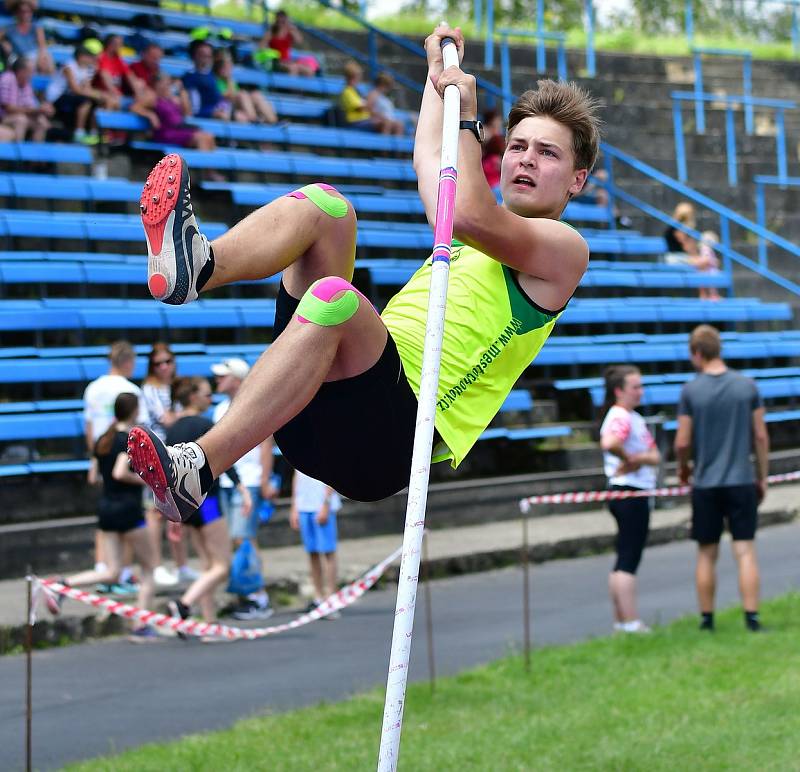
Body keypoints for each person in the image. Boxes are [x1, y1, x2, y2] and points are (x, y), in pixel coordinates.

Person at [128, 25, 599, 527]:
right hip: (319, 402)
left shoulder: (564, 250)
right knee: (327, 208)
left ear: (577, 179)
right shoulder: (467, 233)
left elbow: (468, 211)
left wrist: (466, 114)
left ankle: (198, 467)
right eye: (519, 145)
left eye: (547, 152)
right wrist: (436, 81)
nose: (526, 157)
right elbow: (429, 162)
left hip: (392, 438)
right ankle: (200, 268)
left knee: (337, 299)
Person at [674, 325, 769, 633]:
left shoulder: (690, 390)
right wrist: (762, 477)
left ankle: (707, 619)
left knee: (706, 552)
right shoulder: (747, 386)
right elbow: (760, 436)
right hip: (741, 479)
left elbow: (682, 442)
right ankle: (751, 617)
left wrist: (684, 468)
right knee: (745, 550)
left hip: (706, 483)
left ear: (697, 353)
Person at [57, 393, 159, 643]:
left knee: (112, 572)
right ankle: (141, 624)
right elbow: (119, 472)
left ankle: (63, 583)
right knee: (149, 569)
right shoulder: (126, 440)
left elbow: (94, 477)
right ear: (134, 411)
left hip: (106, 509)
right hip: (128, 509)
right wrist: (145, 480)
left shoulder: (103, 438)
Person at [164, 377, 252, 633]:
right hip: (208, 502)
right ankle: (183, 605)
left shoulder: (173, 429)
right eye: (205, 394)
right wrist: (241, 487)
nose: (209, 398)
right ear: (192, 397)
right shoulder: (204, 424)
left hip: (185, 505)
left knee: (207, 565)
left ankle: (209, 623)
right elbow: (223, 456)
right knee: (221, 566)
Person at [211, 357, 276, 620]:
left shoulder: (255, 403)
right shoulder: (219, 409)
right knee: (240, 538)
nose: (218, 380)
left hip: (248, 480)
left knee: (244, 538)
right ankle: (248, 593)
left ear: (237, 379)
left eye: (223, 376)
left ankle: (257, 595)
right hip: (228, 481)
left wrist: (264, 479)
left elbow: (265, 444)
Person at [84, 341, 151, 591]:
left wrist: (95, 459)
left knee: (107, 513)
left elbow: (90, 427)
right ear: (127, 362)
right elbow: (139, 431)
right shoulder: (130, 389)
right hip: (123, 453)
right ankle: (123, 572)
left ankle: (103, 569)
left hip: (103, 452)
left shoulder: (93, 388)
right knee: (130, 516)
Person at [599, 365, 660, 634]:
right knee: (628, 558)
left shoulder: (632, 417)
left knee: (624, 555)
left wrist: (638, 458)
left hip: (630, 491)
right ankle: (631, 621)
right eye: (635, 387)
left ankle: (622, 621)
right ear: (619, 391)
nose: (640, 392)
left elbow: (655, 455)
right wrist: (630, 460)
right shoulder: (621, 416)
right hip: (630, 493)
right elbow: (609, 442)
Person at [140, 343, 196, 587]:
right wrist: (190, 415)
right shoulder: (150, 389)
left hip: (178, 453)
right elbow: (167, 419)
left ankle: (181, 564)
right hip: (157, 455)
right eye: (158, 363)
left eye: (168, 361)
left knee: (178, 510)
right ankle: (156, 566)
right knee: (155, 513)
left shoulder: (178, 386)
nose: (164, 367)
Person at [290, 469, 341, 618]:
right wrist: (294, 505)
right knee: (312, 552)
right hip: (304, 505)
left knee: (328, 551)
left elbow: (334, 472)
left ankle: (331, 599)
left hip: (323, 504)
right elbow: (296, 474)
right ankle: (318, 598)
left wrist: (326, 502)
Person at [45, 39, 111, 145]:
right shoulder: (68, 67)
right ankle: (79, 133)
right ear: (81, 56)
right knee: (86, 101)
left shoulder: (86, 69)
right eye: (89, 56)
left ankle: (95, 133)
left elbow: (86, 88)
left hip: (70, 96)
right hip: (56, 97)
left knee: (97, 101)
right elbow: (75, 89)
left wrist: (100, 96)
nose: (92, 59)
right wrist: (98, 94)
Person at [146, 72, 216, 151]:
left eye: (168, 83)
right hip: (166, 132)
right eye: (165, 83)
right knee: (200, 138)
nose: (168, 86)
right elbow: (135, 107)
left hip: (179, 129)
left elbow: (188, 113)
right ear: (157, 84)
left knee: (209, 136)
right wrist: (150, 115)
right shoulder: (152, 97)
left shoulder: (171, 99)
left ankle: (210, 163)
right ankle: (201, 163)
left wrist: (182, 92)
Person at [213, 49, 277, 125]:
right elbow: (225, 96)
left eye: (230, 64)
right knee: (242, 95)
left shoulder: (230, 80)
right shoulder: (214, 79)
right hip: (225, 107)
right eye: (224, 65)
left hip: (237, 106)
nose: (228, 67)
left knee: (256, 94)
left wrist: (229, 79)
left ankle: (274, 121)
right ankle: (254, 119)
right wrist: (228, 80)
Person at [0, 56, 53, 141]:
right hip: (4, 117)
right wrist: (36, 110)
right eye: (30, 72)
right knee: (21, 120)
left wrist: (43, 110)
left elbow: (29, 105)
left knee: (42, 122)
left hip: (18, 115)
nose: (32, 74)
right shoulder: (6, 79)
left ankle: (36, 153)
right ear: (21, 71)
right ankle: (19, 152)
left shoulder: (27, 84)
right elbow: (9, 108)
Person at [0, 0, 53, 74]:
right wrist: (3, 43)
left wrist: (41, 57)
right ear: (16, 12)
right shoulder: (9, 28)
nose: (25, 14)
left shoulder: (36, 27)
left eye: (28, 11)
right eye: (22, 11)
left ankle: (45, 81)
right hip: (18, 59)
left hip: (34, 58)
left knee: (47, 58)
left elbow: (42, 47)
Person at [182, 39, 229, 120]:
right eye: (203, 55)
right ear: (195, 56)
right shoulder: (190, 76)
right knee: (223, 116)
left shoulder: (213, 75)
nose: (206, 59)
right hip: (203, 112)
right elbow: (194, 107)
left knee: (241, 116)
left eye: (209, 56)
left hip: (218, 109)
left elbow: (219, 96)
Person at [339, 60, 391, 134]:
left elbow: (367, 107)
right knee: (385, 124)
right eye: (357, 77)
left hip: (365, 121)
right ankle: (384, 145)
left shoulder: (356, 91)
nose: (359, 79)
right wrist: (372, 99)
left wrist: (377, 115)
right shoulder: (347, 91)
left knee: (395, 125)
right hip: (355, 122)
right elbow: (361, 108)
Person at [264, 10, 318, 77]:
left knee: (308, 70)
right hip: (277, 61)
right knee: (293, 68)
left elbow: (299, 41)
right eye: (279, 21)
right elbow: (261, 47)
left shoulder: (289, 32)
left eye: (283, 21)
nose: (281, 23)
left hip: (287, 61)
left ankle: (304, 87)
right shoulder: (271, 33)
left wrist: (293, 30)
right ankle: (291, 87)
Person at [693, 230, 721, 301]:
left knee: (706, 285)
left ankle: (706, 296)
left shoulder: (705, 249)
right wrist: (714, 261)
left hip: (706, 270)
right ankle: (712, 296)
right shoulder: (706, 249)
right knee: (710, 284)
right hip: (708, 270)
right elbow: (706, 259)